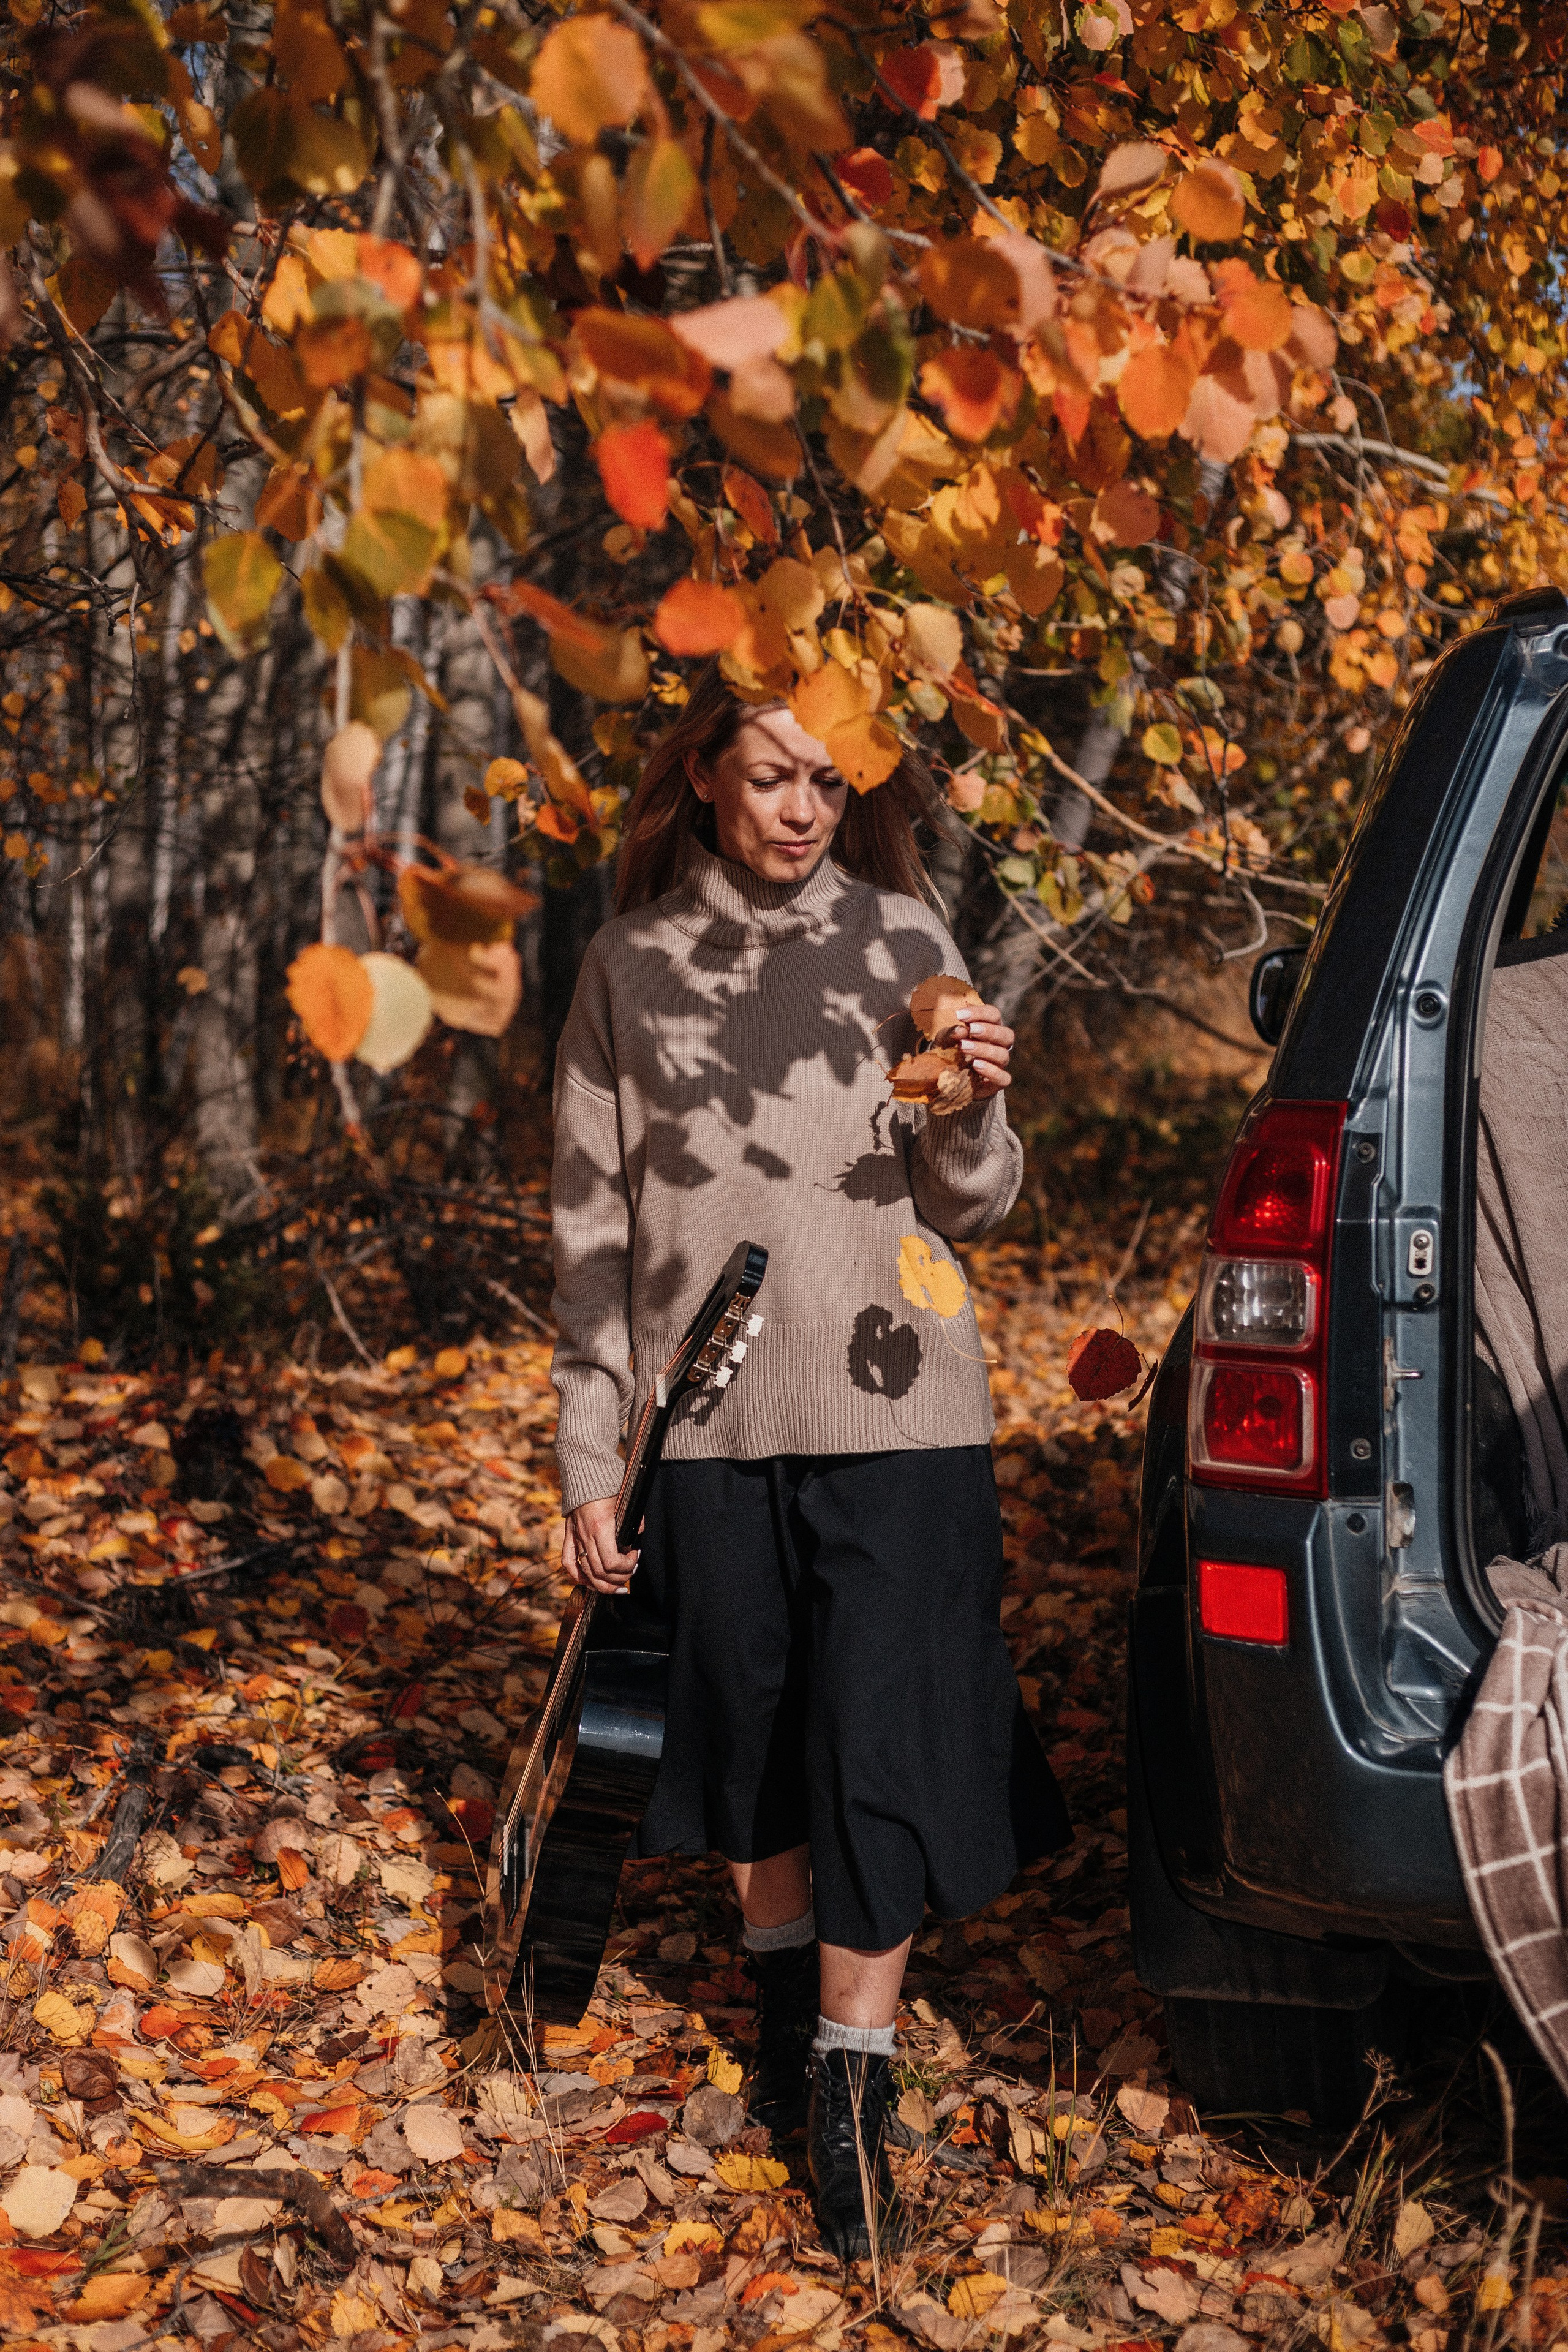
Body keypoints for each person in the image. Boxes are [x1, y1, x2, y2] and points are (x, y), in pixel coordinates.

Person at [548, 665, 1069, 2260]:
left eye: (827, 784)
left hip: (906, 1411)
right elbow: (589, 1235)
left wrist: (977, 1105)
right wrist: (587, 1451)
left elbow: (970, 1196)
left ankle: (852, 2094)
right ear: (705, 775)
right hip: (712, 1420)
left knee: (882, 1736)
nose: (800, 810)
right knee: (753, 1735)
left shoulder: (905, 948)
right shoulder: (630, 970)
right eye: (771, 776)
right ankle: (785, 2020)